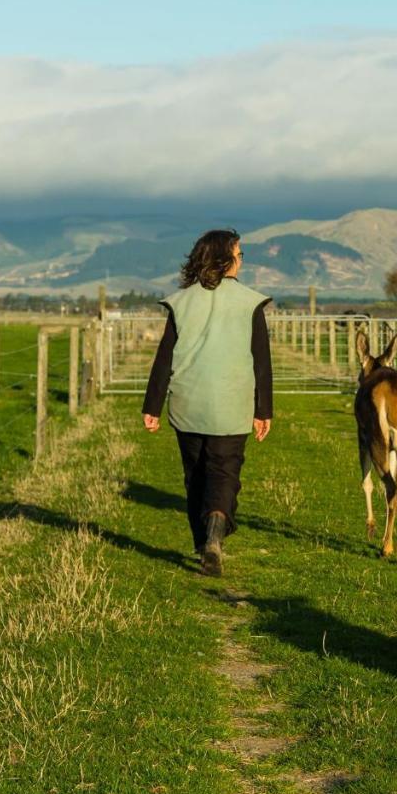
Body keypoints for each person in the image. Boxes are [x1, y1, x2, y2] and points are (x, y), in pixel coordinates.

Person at [142, 229, 273, 575]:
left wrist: (151, 406)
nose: (241, 260)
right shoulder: (250, 302)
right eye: (239, 254)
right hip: (232, 403)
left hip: (188, 402)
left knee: (195, 475)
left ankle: (202, 542)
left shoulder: (181, 301)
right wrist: (264, 410)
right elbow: (261, 360)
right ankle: (215, 536)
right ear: (223, 258)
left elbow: (164, 358)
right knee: (225, 473)